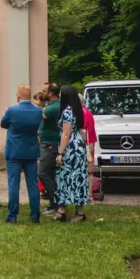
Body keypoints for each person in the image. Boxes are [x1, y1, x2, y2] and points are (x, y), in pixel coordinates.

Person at [0, 85, 43, 223]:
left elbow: (3, 124)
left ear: (18, 96)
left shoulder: (12, 110)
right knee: (33, 185)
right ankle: (35, 215)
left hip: (14, 151)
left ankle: (12, 215)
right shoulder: (38, 111)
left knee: (14, 184)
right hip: (31, 151)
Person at [53, 85, 89, 222]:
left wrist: (60, 153)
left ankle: (62, 210)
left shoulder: (67, 111)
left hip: (70, 148)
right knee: (78, 178)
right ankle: (79, 212)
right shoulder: (77, 109)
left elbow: (66, 134)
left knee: (66, 178)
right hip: (78, 145)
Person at [39, 83, 62, 214]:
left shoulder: (53, 108)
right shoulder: (52, 106)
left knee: (42, 173)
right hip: (50, 143)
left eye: (44, 91)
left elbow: (39, 115)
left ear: (51, 93)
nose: (42, 93)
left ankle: (55, 203)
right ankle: (55, 203)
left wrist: (36, 104)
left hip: (49, 145)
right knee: (51, 175)